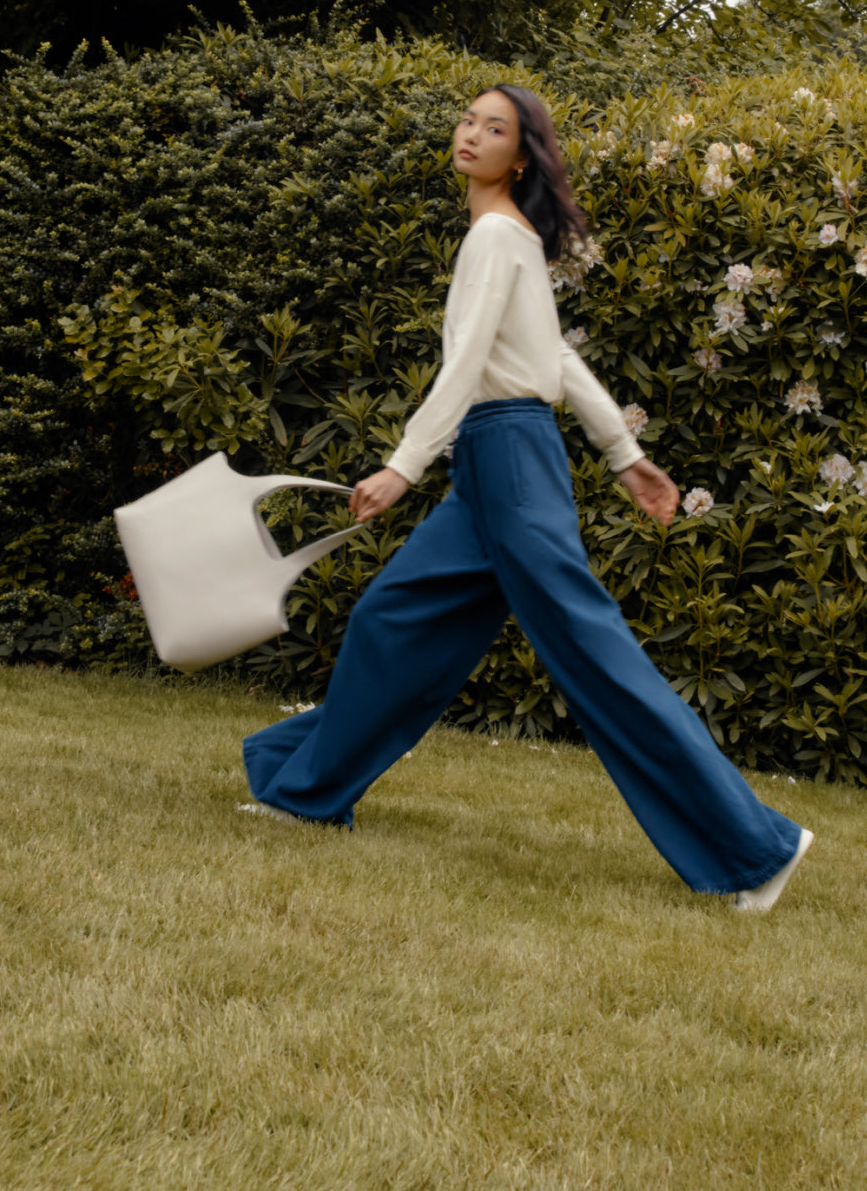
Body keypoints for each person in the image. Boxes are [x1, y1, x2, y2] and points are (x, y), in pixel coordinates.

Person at [241, 86, 813, 910]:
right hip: (493, 467)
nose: (473, 135)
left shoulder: (496, 237)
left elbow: (469, 360)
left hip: (508, 459)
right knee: (391, 621)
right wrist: (624, 453)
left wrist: (404, 464)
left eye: (496, 129)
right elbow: (559, 360)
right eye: (469, 120)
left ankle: (756, 850)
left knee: (595, 659)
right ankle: (303, 790)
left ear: (521, 156)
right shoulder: (510, 239)